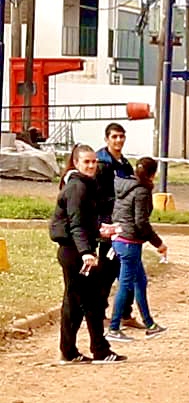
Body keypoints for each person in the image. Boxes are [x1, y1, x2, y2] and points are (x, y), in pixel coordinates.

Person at [49, 145, 125, 364]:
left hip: (79, 249)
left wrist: (100, 231)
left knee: (87, 301)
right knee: (82, 302)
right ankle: (78, 351)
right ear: (76, 163)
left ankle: (88, 350)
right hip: (74, 252)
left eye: (94, 161)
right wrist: (85, 252)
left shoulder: (85, 185)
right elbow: (75, 225)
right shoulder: (77, 187)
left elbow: (83, 222)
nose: (92, 166)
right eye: (86, 162)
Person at [107, 157, 168, 341]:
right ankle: (114, 327)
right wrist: (158, 243)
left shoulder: (124, 186)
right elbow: (141, 222)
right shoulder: (142, 191)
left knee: (140, 281)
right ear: (153, 174)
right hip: (130, 242)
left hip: (120, 237)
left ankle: (149, 323)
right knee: (126, 285)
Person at [95, 122, 142, 330]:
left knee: (128, 269)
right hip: (108, 225)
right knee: (107, 269)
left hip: (124, 224)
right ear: (107, 139)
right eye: (114, 137)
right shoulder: (101, 163)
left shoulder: (124, 164)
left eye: (121, 136)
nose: (118, 140)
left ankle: (125, 313)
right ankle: (98, 312)